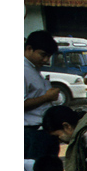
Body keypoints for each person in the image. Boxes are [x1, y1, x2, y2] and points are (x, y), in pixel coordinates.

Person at [24, 30, 61, 159]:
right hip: (30, 130)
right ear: (29, 49)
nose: (46, 60)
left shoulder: (32, 68)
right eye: (42, 55)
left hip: (43, 129)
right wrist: (46, 97)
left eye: (49, 56)